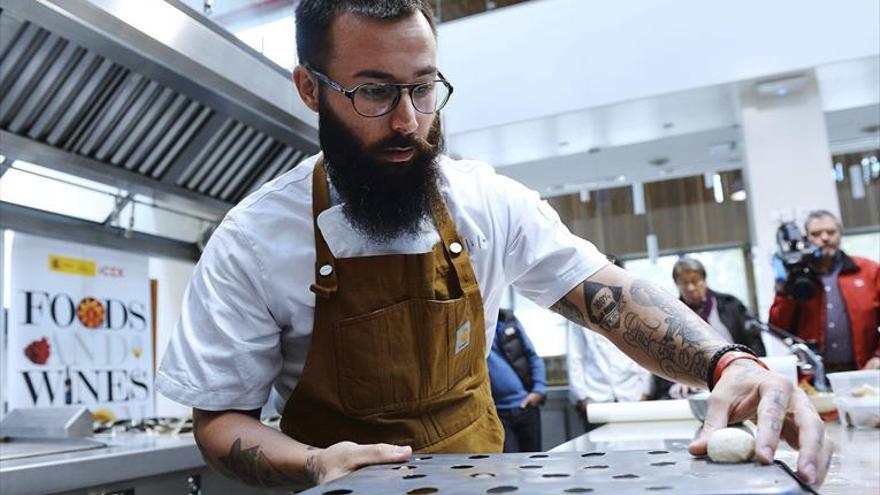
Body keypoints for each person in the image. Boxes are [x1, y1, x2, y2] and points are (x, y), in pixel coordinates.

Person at [156, 1, 831, 489]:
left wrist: (726, 362)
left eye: (423, 88)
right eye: (373, 92)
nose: (408, 121)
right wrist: (315, 462)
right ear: (311, 87)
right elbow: (220, 419)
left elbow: (611, 300)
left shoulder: (484, 201)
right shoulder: (252, 241)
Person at [770, 210, 880, 372]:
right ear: (806, 239)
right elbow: (778, 328)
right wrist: (784, 290)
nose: (825, 238)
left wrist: (878, 356)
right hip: (813, 377)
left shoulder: (869, 271)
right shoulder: (797, 279)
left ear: (840, 234)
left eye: (831, 232)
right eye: (816, 234)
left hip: (864, 372)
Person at [653, 257, 767, 400]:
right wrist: (676, 382)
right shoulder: (670, 315)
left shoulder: (730, 305)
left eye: (695, 281)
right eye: (684, 283)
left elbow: (755, 344)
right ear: (676, 284)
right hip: (694, 387)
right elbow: (661, 357)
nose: (691, 288)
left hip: (738, 376)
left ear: (704, 280)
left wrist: (752, 371)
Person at [567, 322, 651, 430]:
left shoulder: (632, 310)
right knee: (598, 445)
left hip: (633, 394)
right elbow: (575, 357)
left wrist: (646, 391)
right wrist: (581, 398)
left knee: (636, 443)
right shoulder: (578, 317)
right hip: (596, 398)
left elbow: (643, 352)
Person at [488, 309, 547, 452]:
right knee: (510, 467)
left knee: (534, 463)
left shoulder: (508, 321)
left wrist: (538, 390)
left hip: (525, 406)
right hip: (497, 414)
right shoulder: (468, 328)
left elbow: (532, 356)